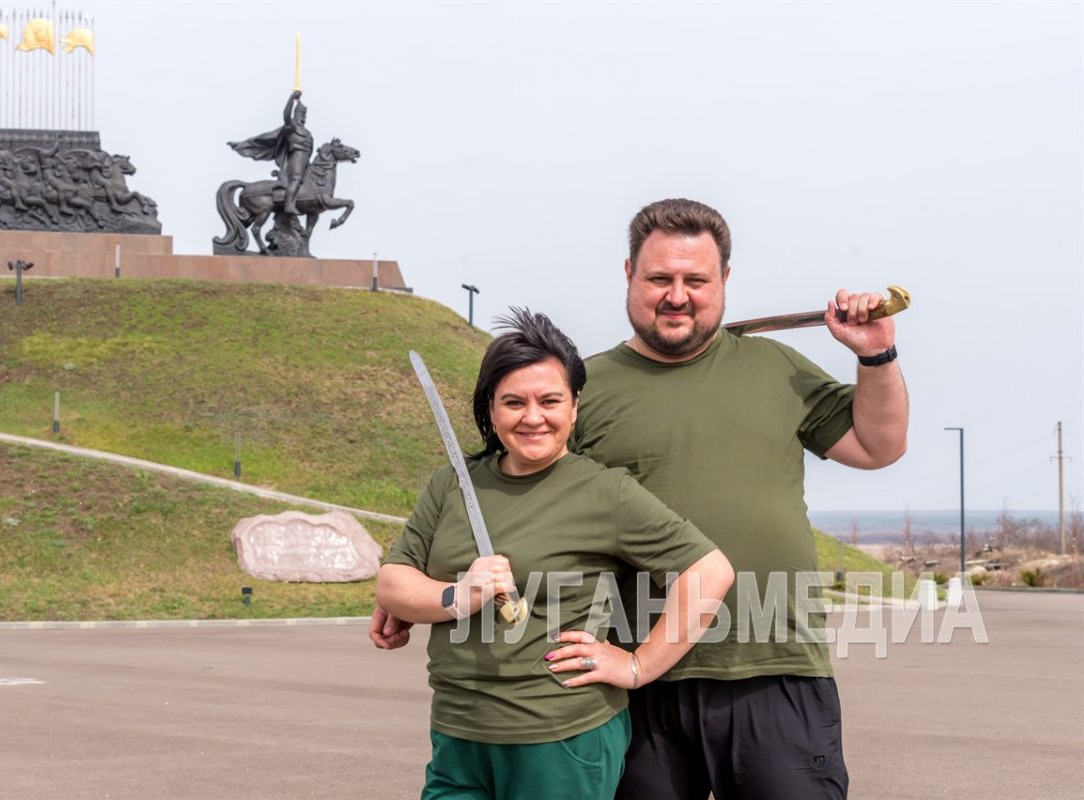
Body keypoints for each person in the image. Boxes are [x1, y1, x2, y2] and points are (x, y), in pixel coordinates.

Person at [372, 198, 909, 799]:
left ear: (723, 281)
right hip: (635, 673)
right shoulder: (579, 391)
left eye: (695, 280)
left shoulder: (777, 367)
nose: (677, 295)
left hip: (772, 664)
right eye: (659, 278)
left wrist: (875, 354)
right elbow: (517, 497)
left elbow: (878, 445)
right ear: (629, 275)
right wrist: (426, 590)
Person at [376, 309, 734, 800]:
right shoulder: (453, 484)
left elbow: (709, 571)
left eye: (550, 400)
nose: (532, 417)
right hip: (458, 733)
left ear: (574, 406)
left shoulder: (606, 493)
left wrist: (638, 667)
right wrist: (457, 596)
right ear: (491, 408)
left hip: (560, 737)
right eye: (513, 402)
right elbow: (393, 581)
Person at [227, 89, 314, 214]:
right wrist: (291, 99)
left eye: (304, 115)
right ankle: (289, 205)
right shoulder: (291, 127)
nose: (303, 117)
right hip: (296, 157)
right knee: (296, 179)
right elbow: (286, 116)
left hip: (306, 159)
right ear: (296, 115)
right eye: (301, 114)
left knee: (309, 184)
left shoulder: (307, 133)